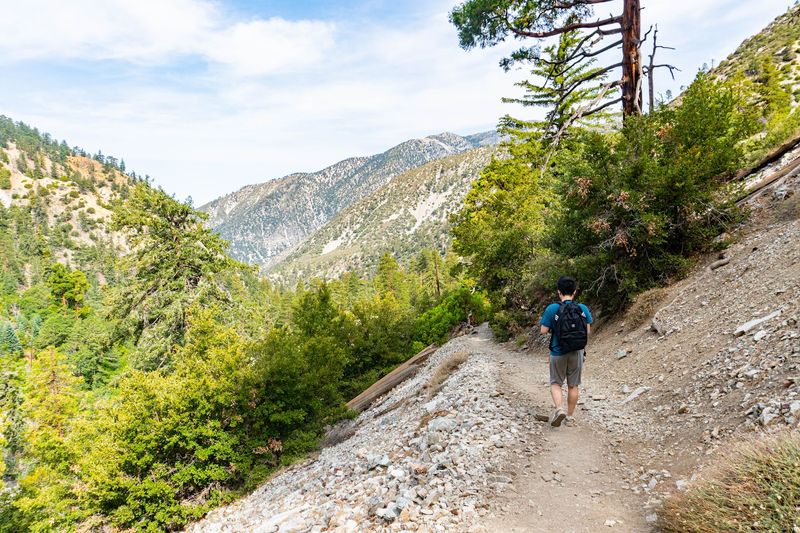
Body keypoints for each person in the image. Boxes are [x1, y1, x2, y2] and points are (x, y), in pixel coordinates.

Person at [539, 276, 593, 427]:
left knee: (556, 383)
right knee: (573, 385)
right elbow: (587, 331)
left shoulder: (552, 308)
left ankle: (559, 409)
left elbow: (543, 330)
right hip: (577, 351)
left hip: (557, 351)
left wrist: (555, 328)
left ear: (559, 292)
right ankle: (569, 417)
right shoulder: (582, 308)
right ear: (574, 292)